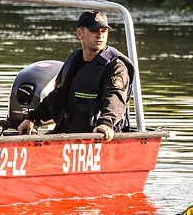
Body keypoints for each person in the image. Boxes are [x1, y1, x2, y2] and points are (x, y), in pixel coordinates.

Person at [17, 10, 134, 142]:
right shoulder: (74, 60)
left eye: (103, 31)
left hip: (98, 138)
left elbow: (115, 99)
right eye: (94, 31)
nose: (99, 36)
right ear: (80, 33)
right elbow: (58, 95)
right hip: (70, 136)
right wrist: (32, 117)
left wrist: (106, 124)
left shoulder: (115, 67)